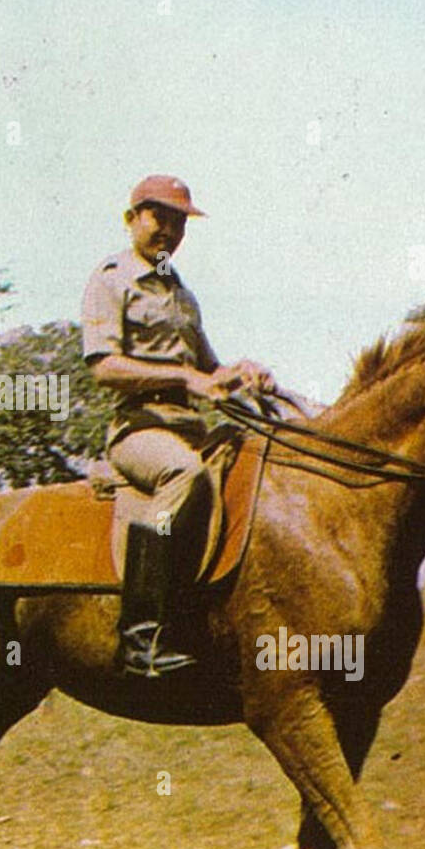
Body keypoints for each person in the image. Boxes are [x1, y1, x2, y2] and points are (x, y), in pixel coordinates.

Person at [81, 175, 274, 677]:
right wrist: (184, 376)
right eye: (158, 217)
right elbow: (104, 367)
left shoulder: (183, 295)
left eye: (179, 221)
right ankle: (141, 636)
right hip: (138, 430)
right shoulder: (110, 279)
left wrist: (240, 374)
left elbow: (210, 371)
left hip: (190, 427)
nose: (168, 230)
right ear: (132, 220)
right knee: (182, 475)